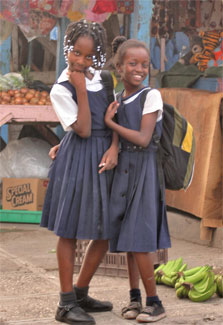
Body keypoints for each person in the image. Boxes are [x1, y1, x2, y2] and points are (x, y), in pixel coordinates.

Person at [40, 19, 119, 325]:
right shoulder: (61, 89)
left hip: (104, 159)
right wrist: (81, 90)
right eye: (76, 52)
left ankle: (81, 291)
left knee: (106, 230)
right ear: (67, 49)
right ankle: (65, 303)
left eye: (89, 56)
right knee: (69, 231)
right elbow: (83, 129)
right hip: (77, 160)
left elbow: (114, 117)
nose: (81, 61)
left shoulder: (105, 79)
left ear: (97, 56)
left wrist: (114, 148)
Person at [104, 37, 171, 323]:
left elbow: (144, 139)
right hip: (124, 171)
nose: (139, 69)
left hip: (144, 169)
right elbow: (115, 139)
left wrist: (111, 123)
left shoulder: (150, 96)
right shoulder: (118, 99)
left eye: (144, 64)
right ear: (119, 67)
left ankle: (155, 302)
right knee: (128, 239)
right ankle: (134, 299)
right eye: (132, 64)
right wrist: (113, 142)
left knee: (140, 238)